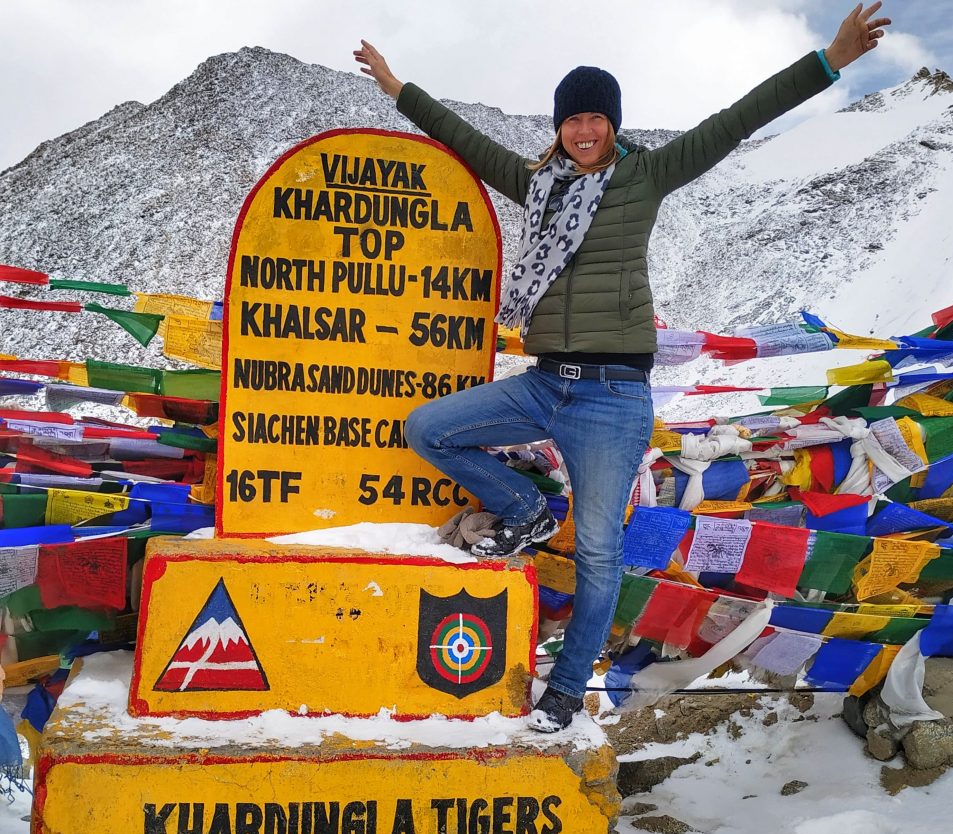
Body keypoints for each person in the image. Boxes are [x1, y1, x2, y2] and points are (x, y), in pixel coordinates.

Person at [354, 3, 890, 732]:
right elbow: (466, 141)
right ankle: (523, 510)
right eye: (571, 120)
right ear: (559, 127)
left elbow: (733, 121)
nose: (583, 131)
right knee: (430, 429)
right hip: (545, 382)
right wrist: (396, 87)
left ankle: (568, 692)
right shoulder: (539, 186)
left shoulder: (645, 177)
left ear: (612, 122)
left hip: (611, 398)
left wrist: (829, 60)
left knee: (601, 552)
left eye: (594, 119)